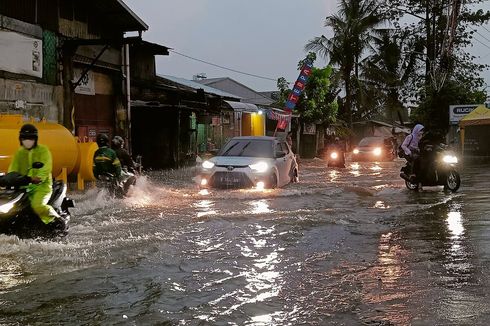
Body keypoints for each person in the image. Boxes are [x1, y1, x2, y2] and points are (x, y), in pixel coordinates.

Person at [8, 124, 61, 225]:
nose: (27, 141)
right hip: (23, 187)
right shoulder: (19, 153)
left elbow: (46, 167)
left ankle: (56, 220)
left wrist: (38, 178)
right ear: (20, 139)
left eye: (30, 138)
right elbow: (13, 169)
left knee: (37, 205)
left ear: (35, 139)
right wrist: (9, 178)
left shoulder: (43, 151)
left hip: (41, 187)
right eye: (24, 138)